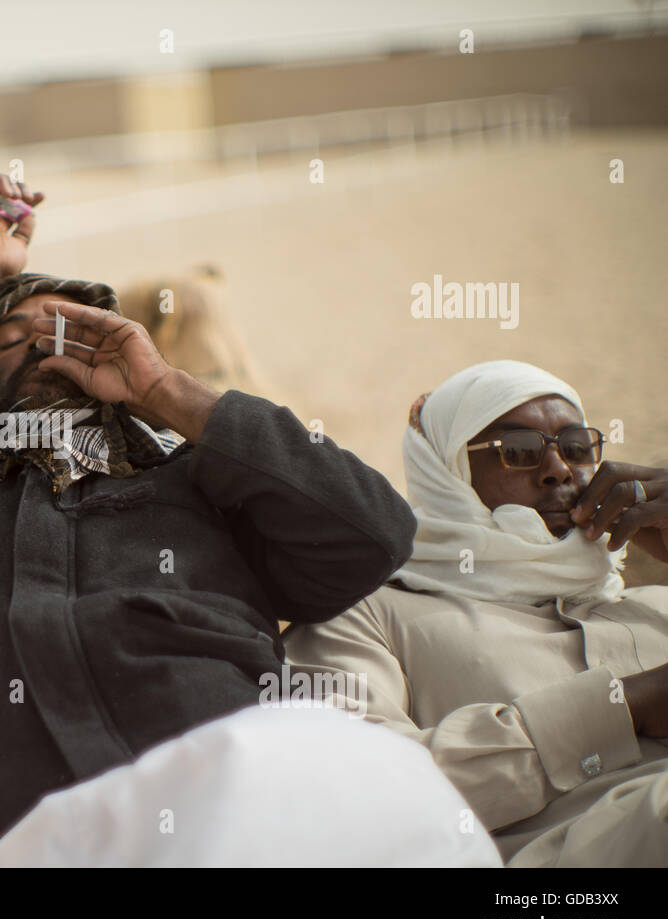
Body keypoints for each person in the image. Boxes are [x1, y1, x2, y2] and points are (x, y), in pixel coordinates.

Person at [0, 170, 418, 865]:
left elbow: (373, 532)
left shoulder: (200, 478)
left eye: (71, 333)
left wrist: (165, 390)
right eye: (12, 339)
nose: (45, 345)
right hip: (15, 836)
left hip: (229, 817)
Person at [286, 359, 668, 866]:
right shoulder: (364, 615)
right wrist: (628, 704)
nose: (558, 469)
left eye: (576, 448)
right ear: (447, 472)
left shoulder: (651, 602)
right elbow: (358, 794)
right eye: (518, 451)